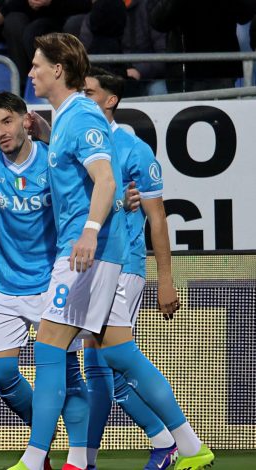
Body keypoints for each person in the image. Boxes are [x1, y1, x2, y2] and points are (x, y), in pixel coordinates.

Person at [7, 32, 213, 470]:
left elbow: (106, 180)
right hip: (99, 251)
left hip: (87, 252)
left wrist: (89, 232)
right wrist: (49, 136)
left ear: (58, 69)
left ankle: (34, 460)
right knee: (118, 351)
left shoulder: (82, 114)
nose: (31, 72)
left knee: (49, 348)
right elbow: (84, 173)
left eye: (37, 64)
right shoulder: (68, 117)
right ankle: (191, 447)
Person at [0, 91, 89, 470]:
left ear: (24, 120)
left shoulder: (51, 160)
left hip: (51, 284)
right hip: (4, 286)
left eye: (6, 121)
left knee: (68, 374)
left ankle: (78, 460)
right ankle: (41, 442)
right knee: (1, 372)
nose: (0, 132)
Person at [80, 67, 181, 470]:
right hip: (93, 265)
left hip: (125, 265)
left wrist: (165, 280)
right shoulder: (79, 142)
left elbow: (158, 218)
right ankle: (87, 458)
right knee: (98, 367)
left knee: (113, 363)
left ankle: (167, 440)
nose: (82, 98)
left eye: (89, 92)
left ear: (111, 101)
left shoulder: (133, 149)